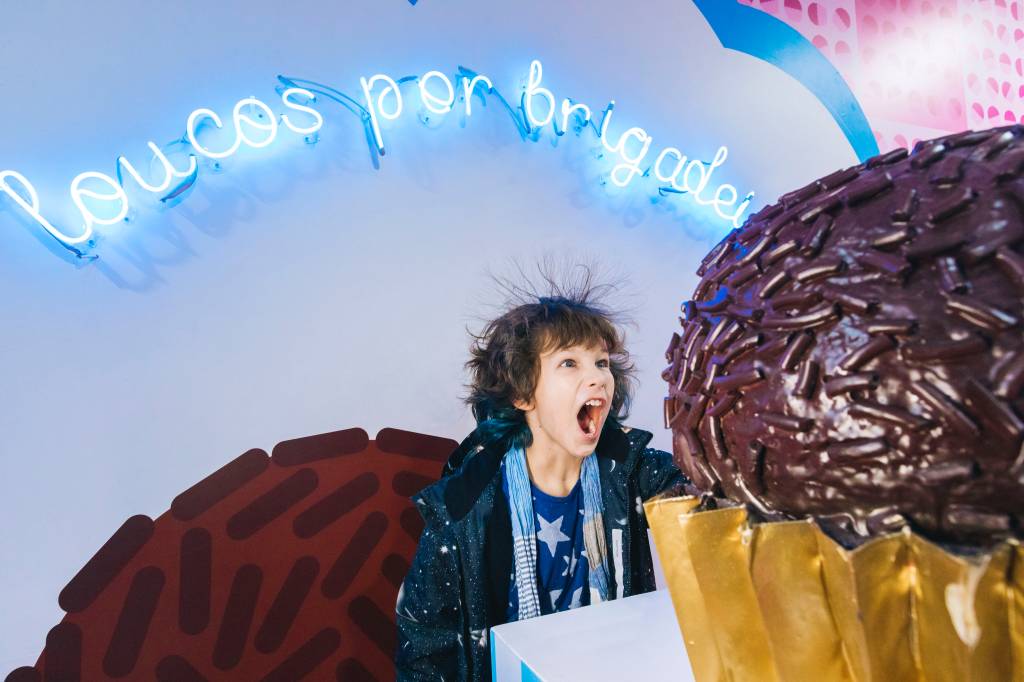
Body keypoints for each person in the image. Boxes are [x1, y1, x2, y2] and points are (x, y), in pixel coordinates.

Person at [394, 261, 691, 681]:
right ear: (521, 394)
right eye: (569, 363)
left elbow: (706, 500)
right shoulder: (465, 508)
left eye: (601, 363)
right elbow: (423, 650)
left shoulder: (633, 468)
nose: (596, 378)